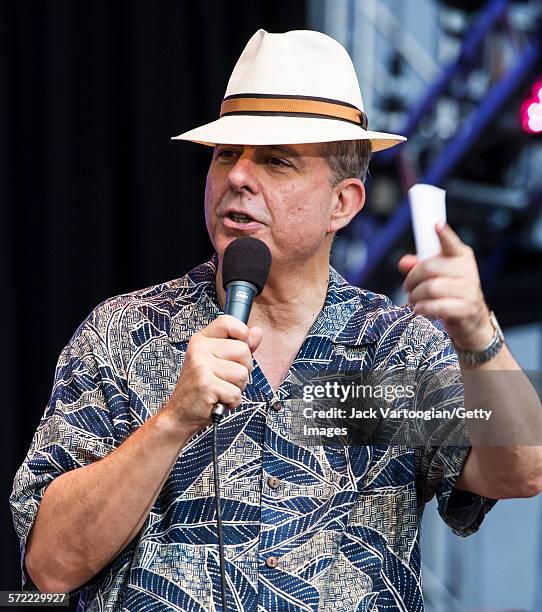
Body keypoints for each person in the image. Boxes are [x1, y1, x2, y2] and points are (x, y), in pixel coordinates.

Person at [11, 28, 542, 611]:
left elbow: (523, 471)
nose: (238, 176)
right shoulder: (125, 332)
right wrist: (171, 422)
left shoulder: (397, 350)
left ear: (342, 203)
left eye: (276, 160)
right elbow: (50, 567)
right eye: (225, 155)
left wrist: (476, 332)